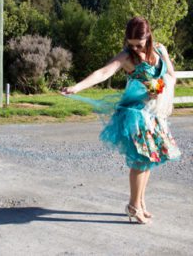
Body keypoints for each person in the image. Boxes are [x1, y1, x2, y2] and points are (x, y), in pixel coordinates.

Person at [61, 16, 181, 224]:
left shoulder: (160, 50)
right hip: (136, 113)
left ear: (149, 37)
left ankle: (140, 202)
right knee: (140, 159)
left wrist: (158, 88)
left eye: (139, 44)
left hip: (153, 112)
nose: (134, 48)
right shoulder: (126, 56)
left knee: (150, 158)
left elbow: (171, 74)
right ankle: (133, 207)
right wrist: (77, 87)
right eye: (130, 44)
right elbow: (104, 72)